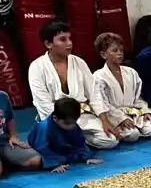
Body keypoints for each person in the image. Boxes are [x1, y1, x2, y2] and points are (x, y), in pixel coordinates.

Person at [27, 21, 118, 150]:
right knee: (58, 141)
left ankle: (77, 140)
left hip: (82, 115)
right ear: (48, 44)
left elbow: (94, 93)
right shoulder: (37, 67)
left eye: (70, 39)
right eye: (63, 40)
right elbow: (42, 102)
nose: (69, 43)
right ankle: (71, 140)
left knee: (111, 141)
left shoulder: (79, 62)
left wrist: (104, 120)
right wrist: (62, 124)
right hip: (56, 119)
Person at [91, 33, 151, 143]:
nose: (119, 54)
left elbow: (138, 97)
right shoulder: (99, 76)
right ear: (104, 55)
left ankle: (135, 128)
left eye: (121, 50)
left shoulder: (131, 72)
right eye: (115, 50)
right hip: (113, 116)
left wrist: (146, 111)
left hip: (133, 113)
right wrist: (121, 118)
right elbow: (102, 103)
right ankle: (127, 131)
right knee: (132, 134)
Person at [28, 96, 104, 173]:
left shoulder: (72, 125)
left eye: (74, 123)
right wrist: (54, 164)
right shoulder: (44, 127)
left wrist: (87, 157)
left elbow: (80, 142)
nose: (71, 126)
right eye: (67, 123)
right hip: (40, 149)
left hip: (61, 148)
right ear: (55, 118)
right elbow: (42, 147)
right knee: (35, 160)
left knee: (71, 155)